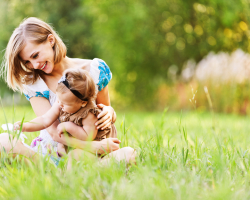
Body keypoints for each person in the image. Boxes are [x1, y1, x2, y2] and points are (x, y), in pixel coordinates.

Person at [0, 17, 136, 167]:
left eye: (35, 56)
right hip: (52, 154)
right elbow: (53, 132)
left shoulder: (95, 69)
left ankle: (71, 174)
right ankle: (65, 172)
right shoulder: (35, 84)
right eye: (27, 62)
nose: (34, 65)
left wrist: (109, 112)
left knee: (129, 153)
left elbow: (104, 113)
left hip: (90, 154)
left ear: (51, 40)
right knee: (3, 141)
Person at [14, 68, 117, 157]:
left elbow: (87, 137)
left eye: (65, 103)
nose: (60, 105)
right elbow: (45, 119)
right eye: (59, 100)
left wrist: (69, 126)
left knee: (77, 156)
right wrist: (25, 126)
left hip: (96, 146)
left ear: (83, 103)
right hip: (78, 146)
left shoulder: (89, 114)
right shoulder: (62, 103)